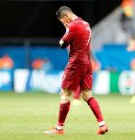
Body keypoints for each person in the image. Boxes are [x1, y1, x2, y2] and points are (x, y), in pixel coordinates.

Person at [44, 6, 108, 135]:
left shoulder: (72, 26)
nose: (63, 23)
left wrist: (66, 30)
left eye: (62, 21)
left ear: (66, 17)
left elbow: (62, 44)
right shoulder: (86, 24)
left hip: (75, 63)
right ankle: (102, 124)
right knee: (87, 95)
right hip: (87, 63)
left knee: (65, 94)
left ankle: (59, 128)